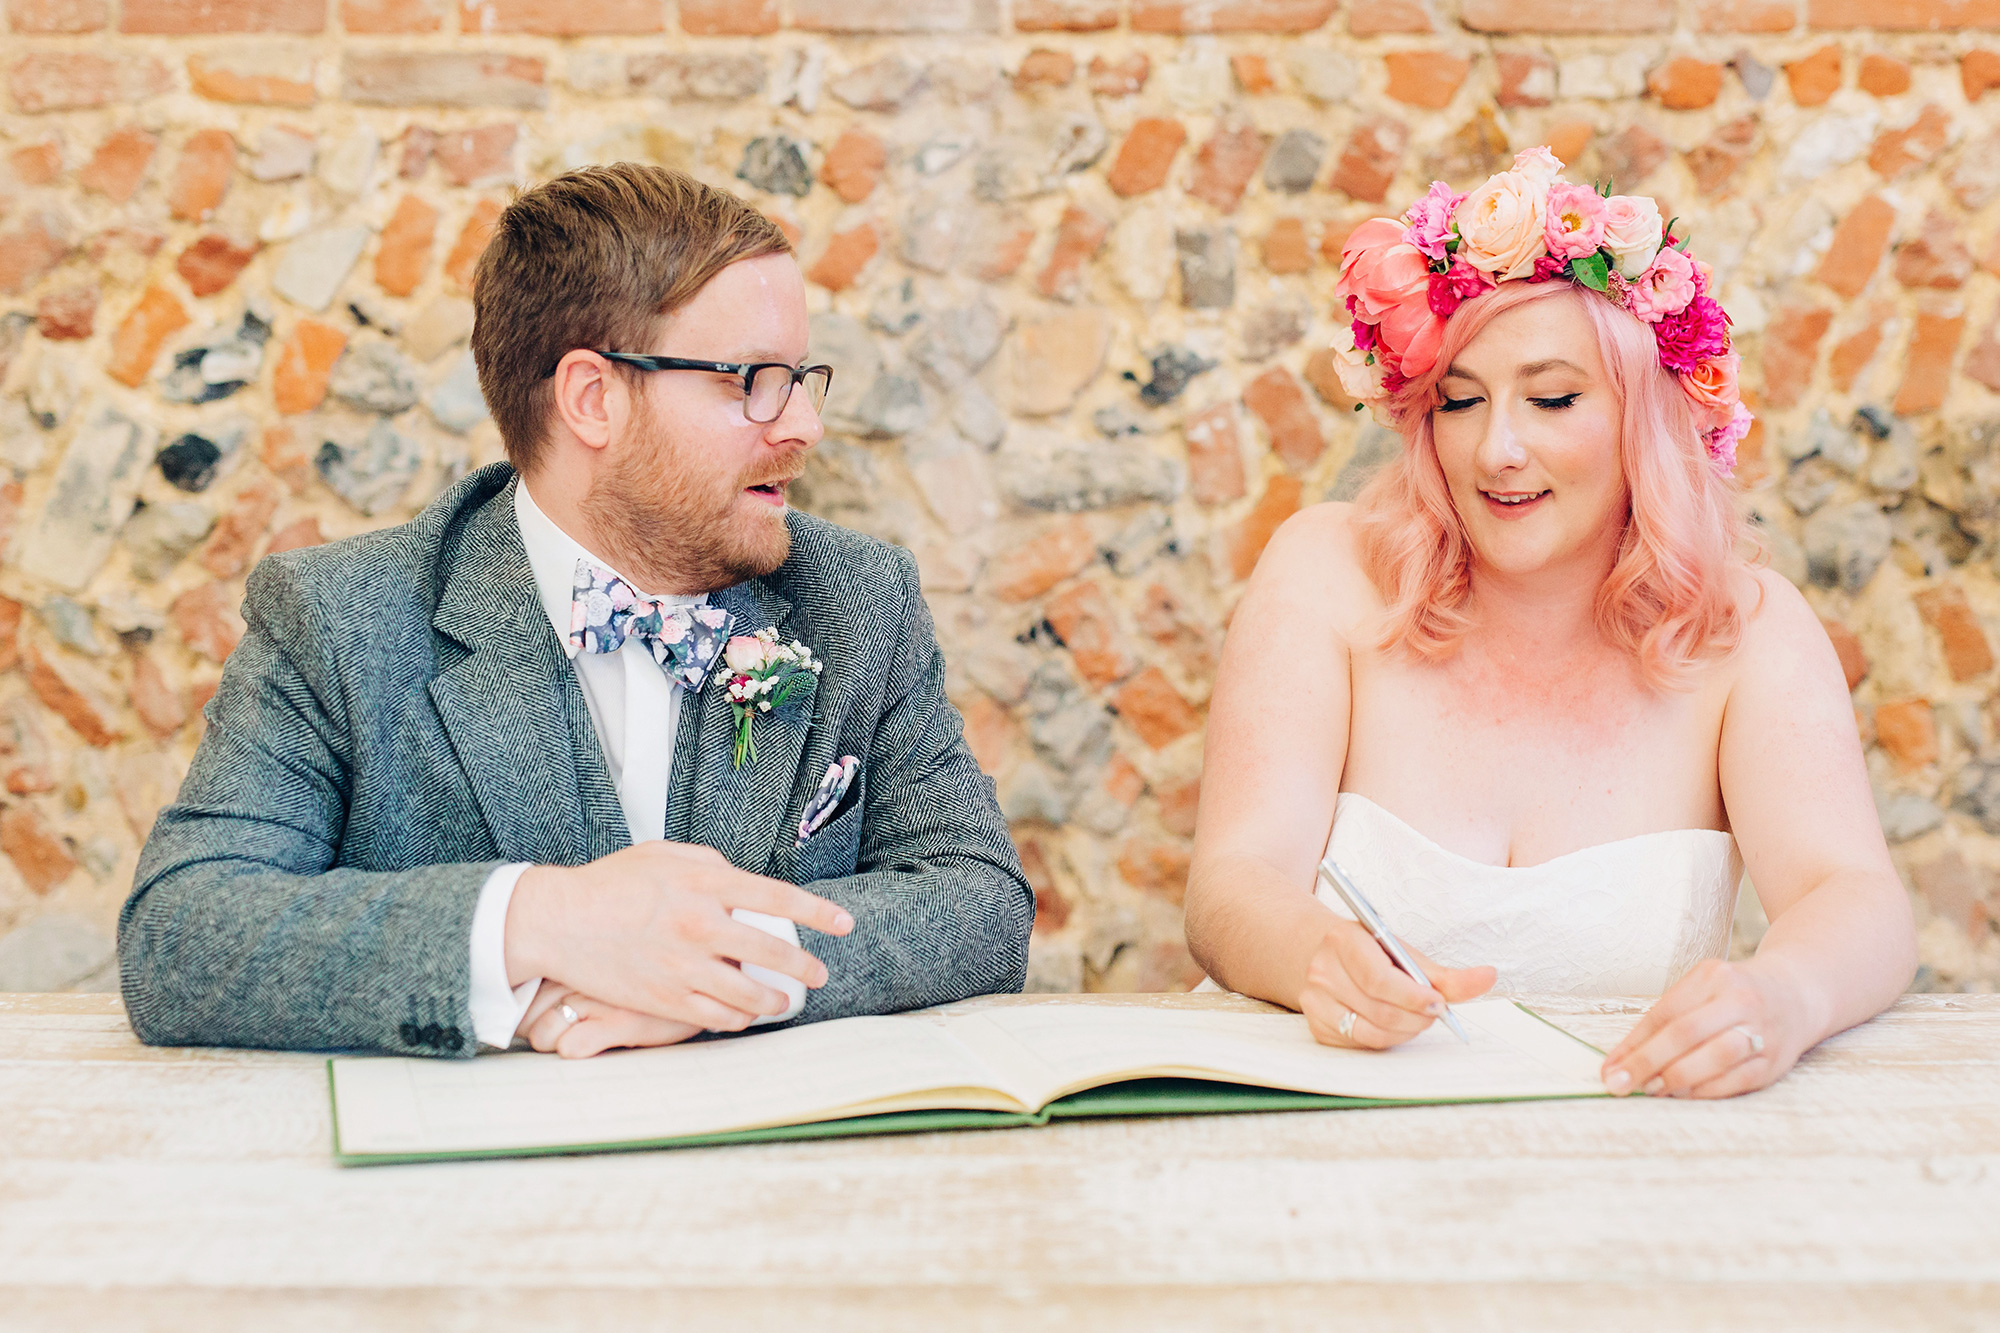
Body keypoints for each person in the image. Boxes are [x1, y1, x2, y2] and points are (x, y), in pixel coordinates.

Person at [120, 164, 1033, 1059]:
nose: (802, 425)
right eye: (753, 378)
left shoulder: (858, 599)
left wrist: (719, 971)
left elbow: (981, 901)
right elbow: (182, 931)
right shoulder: (338, 619)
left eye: (801, 376)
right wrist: (542, 920)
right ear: (593, 399)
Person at [1184, 147, 1916, 1100]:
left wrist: (1781, 996)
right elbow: (1231, 882)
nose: (1498, 449)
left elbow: (1855, 899)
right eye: (1461, 401)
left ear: (1641, 415)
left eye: (1553, 397)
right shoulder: (1324, 574)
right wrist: (1314, 956)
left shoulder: (1749, 632)